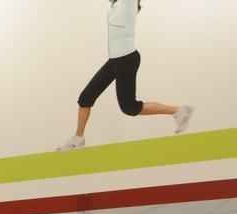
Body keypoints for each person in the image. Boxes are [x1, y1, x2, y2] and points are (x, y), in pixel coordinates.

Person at [57, 0, 193, 151]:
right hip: (114, 61)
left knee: (129, 107)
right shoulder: (116, 5)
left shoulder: (128, 2)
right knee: (85, 98)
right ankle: (78, 138)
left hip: (126, 59)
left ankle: (179, 111)